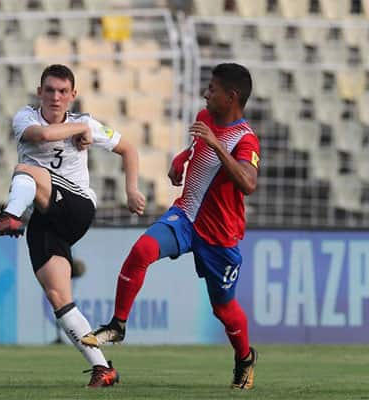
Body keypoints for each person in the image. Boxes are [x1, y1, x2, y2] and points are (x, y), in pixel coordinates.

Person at [81, 63, 260, 390]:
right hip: (187, 216)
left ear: (231, 96)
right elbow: (198, 150)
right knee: (142, 250)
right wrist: (182, 159)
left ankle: (245, 358)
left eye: (213, 89)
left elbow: (248, 183)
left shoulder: (245, 139)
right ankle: (118, 324)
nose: (207, 93)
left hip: (220, 236)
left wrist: (217, 146)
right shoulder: (205, 118)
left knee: (224, 310)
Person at [0, 64, 146, 387]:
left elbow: (129, 149)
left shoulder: (84, 123)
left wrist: (132, 190)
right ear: (39, 92)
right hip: (45, 218)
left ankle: (12, 215)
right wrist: (78, 129)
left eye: (62, 91)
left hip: (77, 207)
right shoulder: (26, 118)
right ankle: (103, 368)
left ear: (73, 95)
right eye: (50, 90)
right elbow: (41, 136)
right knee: (59, 297)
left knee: (26, 169)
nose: (56, 97)